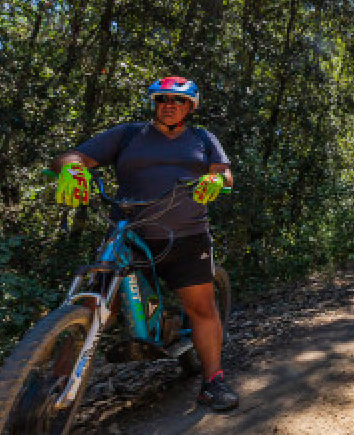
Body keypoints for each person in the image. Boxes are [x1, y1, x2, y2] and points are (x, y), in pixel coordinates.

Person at [51, 76, 239, 412]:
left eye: (178, 101)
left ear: (190, 107)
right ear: (154, 104)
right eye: (162, 99)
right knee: (93, 306)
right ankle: (51, 389)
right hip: (129, 235)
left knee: (201, 308)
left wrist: (215, 178)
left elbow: (225, 174)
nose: (169, 105)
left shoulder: (202, 138)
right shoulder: (128, 135)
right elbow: (72, 156)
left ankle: (213, 381)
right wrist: (72, 170)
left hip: (187, 236)